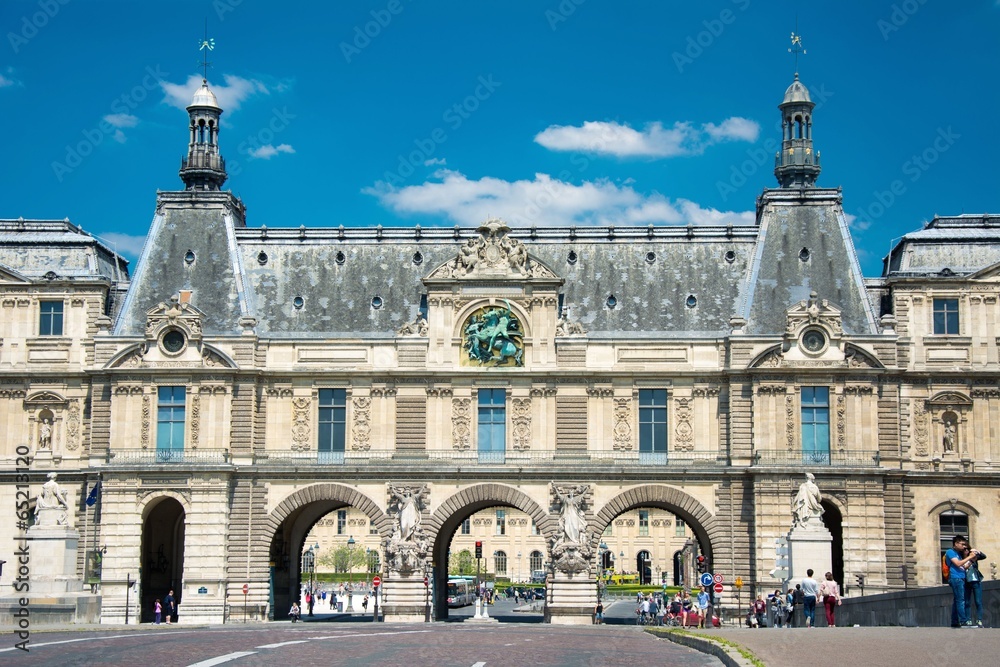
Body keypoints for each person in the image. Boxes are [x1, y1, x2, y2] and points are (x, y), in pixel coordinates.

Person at [946, 535, 980, 628]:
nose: (964, 546)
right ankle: (963, 621)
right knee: (961, 600)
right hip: (955, 578)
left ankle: (955, 621)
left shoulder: (958, 554)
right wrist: (969, 557)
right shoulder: (950, 552)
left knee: (957, 600)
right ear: (956, 543)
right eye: (962, 544)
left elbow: (963, 567)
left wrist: (972, 560)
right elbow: (958, 564)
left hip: (961, 577)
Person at [965, 543, 987, 628]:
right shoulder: (963, 559)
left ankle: (979, 620)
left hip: (976, 581)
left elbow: (984, 556)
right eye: (965, 550)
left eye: (968, 550)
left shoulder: (975, 559)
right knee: (967, 602)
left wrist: (978, 551)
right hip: (967, 582)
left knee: (978, 601)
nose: (967, 551)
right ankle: (968, 619)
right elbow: (964, 567)